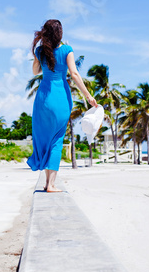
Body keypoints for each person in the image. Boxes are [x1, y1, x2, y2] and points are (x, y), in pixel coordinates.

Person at [26, 19, 98, 192]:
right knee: (57, 139)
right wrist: (88, 96)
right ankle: (50, 184)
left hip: (43, 98)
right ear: (60, 33)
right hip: (60, 98)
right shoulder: (67, 50)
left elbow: (36, 72)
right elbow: (74, 73)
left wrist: (37, 56)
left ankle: (46, 182)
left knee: (44, 138)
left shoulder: (40, 51)